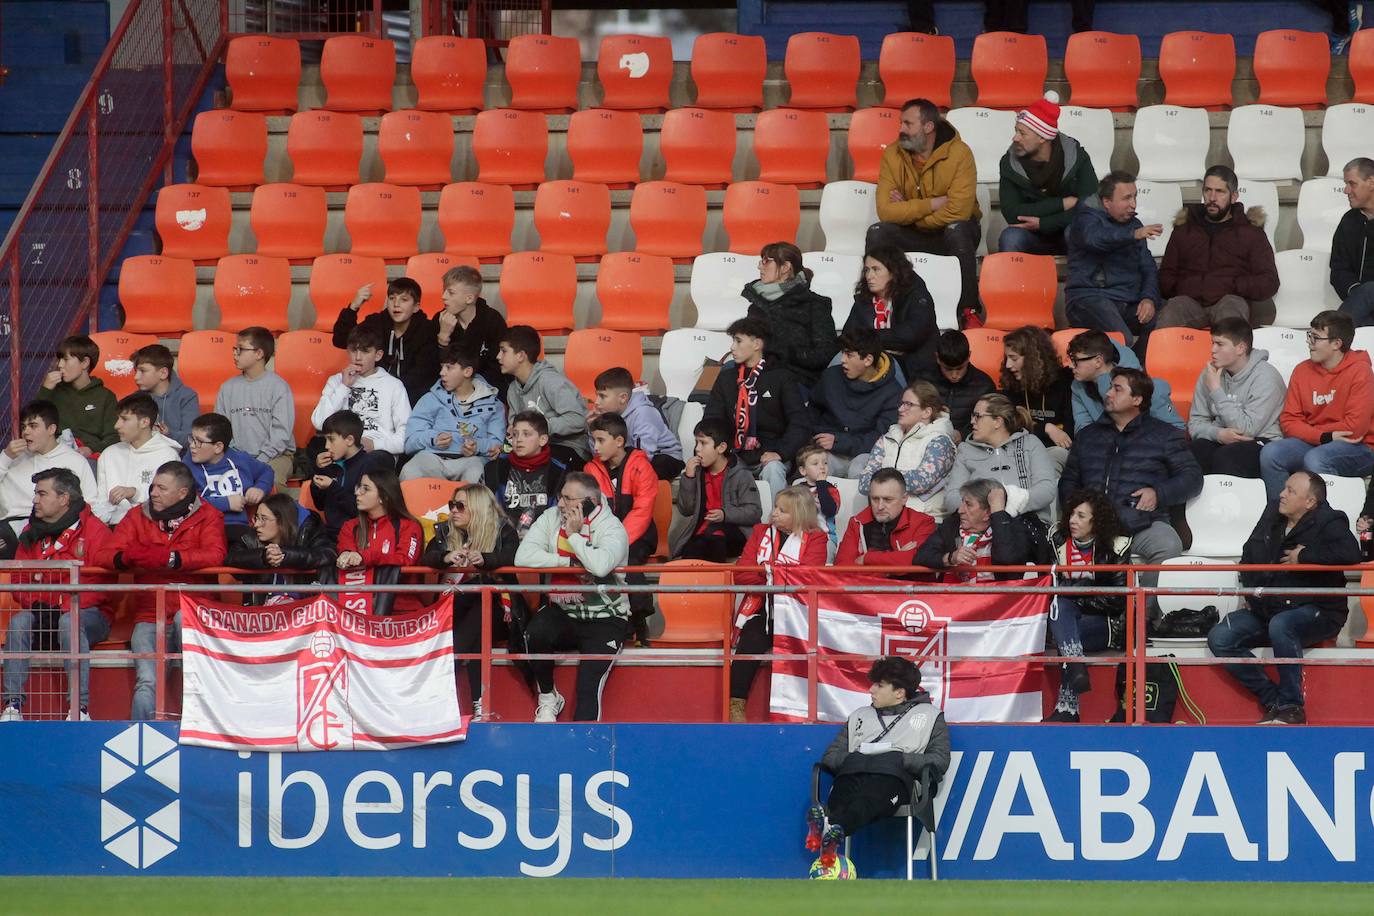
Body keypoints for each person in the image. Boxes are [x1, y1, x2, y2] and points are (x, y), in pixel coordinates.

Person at [1207, 471, 1361, 725]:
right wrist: (1250, 591)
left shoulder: (1330, 519)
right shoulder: (1273, 512)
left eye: (1291, 490)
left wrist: (1305, 556)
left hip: (1317, 610)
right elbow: (1249, 553)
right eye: (1284, 488)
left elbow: (1350, 553)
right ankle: (1273, 699)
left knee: (1283, 624)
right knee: (1221, 637)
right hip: (1267, 607)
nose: (1282, 494)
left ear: (1310, 502)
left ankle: (1292, 706)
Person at [1059, 368, 1203, 609]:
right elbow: (1069, 481)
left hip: (1140, 523)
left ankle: (1140, 618)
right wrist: (1077, 512)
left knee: (1167, 544)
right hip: (1091, 527)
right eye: (1109, 388)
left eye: (1117, 389)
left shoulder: (1165, 435)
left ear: (1137, 400)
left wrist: (1159, 493)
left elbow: (1192, 478)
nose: (1108, 393)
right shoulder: (1087, 436)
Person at [98, 461, 226, 720]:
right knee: (146, 680)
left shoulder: (209, 515)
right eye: (153, 486)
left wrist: (173, 559)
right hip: (149, 613)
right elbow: (104, 555)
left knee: (196, 677)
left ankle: (201, 728)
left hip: (192, 609)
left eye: (161, 488)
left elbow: (216, 554)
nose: (152, 492)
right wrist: (128, 557)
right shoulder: (137, 515)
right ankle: (142, 736)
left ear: (182, 493)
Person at [809, 656, 950, 868]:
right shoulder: (859, 716)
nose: (871, 690)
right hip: (854, 773)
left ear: (899, 693)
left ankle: (830, 828)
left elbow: (939, 760)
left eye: (879, 685)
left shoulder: (930, 716)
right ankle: (834, 831)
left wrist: (899, 759)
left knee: (872, 796)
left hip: (895, 779)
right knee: (844, 790)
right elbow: (831, 757)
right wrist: (858, 757)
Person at [516, 472, 632, 723]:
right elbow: (522, 557)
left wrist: (575, 535)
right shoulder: (551, 517)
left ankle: (584, 753)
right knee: (534, 633)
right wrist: (568, 562)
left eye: (568, 499)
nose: (560, 504)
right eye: (560, 497)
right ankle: (548, 698)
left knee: (588, 689)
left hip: (606, 618)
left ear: (590, 501)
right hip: (564, 611)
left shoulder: (612, 528)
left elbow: (600, 566)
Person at [1, 469, 112, 722]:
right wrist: (41, 604)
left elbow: (101, 585)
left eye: (42, 494)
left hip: (89, 616)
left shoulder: (95, 531)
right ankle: (12, 707)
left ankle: (79, 710)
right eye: (36, 494)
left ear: (64, 499)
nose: (35, 500)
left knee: (69, 621)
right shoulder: (31, 531)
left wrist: (61, 605)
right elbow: (19, 581)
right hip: (43, 612)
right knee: (19, 622)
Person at [869, 98, 981, 315]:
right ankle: (877, 308)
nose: (901, 129)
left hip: (950, 231)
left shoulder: (960, 154)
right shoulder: (892, 154)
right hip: (914, 232)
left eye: (908, 124)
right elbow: (885, 210)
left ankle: (969, 311)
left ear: (928, 127)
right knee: (878, 232)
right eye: (901, 123)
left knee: (957, 229)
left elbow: (959, 211)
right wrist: (932, 204)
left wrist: (910, 212)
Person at [423, 484, 524, 720]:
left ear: (478, 509)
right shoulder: (444, 532)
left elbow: (511, 555)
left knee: (480, 602)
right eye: (451, 505)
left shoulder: (503, 532)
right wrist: (445, 557)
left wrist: (485, 560)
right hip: (454, 612)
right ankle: (480, 703)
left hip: (500, 612)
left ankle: (439, 695)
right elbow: (427, 556)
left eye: (460, 506)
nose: (454, 511)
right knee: (476, 626)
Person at [731, 485, 829, 721]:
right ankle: (735, 704)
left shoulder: (816, 538)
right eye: (775, 507)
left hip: (798, 611)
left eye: (782, 510)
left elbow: (807, 578)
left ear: (799, 514)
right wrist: (778, 575)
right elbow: (741, 574)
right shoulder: (759, 532)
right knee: (751, 639)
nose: (774, 513)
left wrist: (767, 573)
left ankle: (806, 710)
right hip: (762, 606)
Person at [1260, 310, 1374, 498]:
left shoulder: (1360, 372)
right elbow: (1288, 421)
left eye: (1316, 337)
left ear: (1337, 344)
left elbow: (1355, 429)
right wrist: (1323, 436)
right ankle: (1278, 519)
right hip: (1318, 441)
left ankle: (1324, 522)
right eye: (1309, 335)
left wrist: (1312, 432)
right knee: (1271, 454)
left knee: (1316, 459)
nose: (1309, 342)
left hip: (1361, 448)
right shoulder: (1301, 371)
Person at [1044, 489, 1132, 723]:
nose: (1072, 520)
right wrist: (1074, 595)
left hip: (1107, 624)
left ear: (1097, 521)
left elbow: (1116, 599)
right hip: (1066, 619)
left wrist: (1075, 593)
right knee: (1062, 610)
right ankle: (1076, 667)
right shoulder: (1057, 540)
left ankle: (1068, 708)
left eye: (1081, 516)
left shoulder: (1117, 547)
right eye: (1072, 514)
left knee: (1064, 617)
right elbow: (1049, 586)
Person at [1157, 164, 1279, 329]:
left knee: (1232, 311)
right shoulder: (1184, 229)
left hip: (1230, 300)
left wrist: (1234, 285)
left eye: (1220, 191)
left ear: (1234, 196)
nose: (1212, 198)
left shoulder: (1250, 233)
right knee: (1171, 311)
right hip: (1189, 302)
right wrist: (1187, 286)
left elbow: (1269, 281)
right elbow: (1166, 275)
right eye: (1208, 190)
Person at [703, 317, 809, 501]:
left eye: (738, 341)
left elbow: (800, 422)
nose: (732, 348)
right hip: (734, 454)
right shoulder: (726, 378)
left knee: (774, 469)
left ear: (757, 344)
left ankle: (778, 522)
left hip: (770, 453)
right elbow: (713, 419)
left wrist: (780, 453)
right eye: (733, 341)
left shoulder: (782, 377)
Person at [1064, 171, 1163, 356]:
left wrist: (1148, 298)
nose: (1133, 204)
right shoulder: (1085, 220)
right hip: (1089, 297)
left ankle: (1136, 370)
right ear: (1107, 202)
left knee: (1164, 321)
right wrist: (1133, 235)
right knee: (1121, 337)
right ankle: (1123, 375)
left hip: (1127, 300)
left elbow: (1148, 268)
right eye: (1126, 198)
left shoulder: (1134, 224)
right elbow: (1096, 240)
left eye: (1135, 197)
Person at [585, 412, 659, 642]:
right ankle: (614, 619)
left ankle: (637, 617)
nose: (595, 447)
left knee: (629, 561)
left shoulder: (642, 467)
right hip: (604, 534)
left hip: (639, 534)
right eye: (594, 440)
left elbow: (642, 511)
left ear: (618, 441)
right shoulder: (592, 469)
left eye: (600, 440)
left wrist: (618, 543)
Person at [997, 92, 1098, 256]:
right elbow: (1012, 213)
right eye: (1016, 131)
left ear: (1042, 138)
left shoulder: (1077, 157)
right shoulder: (1009, 163)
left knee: (1080, 231)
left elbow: (1092, 205)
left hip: (1069, 229)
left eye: (1022, 133)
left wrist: (1045, 223)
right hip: (1031, 236)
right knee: (1010, 237)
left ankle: (1081, 282)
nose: (1015, 138)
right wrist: (1063, 204)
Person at [1188, 317, 1286, 478]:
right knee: (1189, 453)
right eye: (1212, 343)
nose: (1212, 350)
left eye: (1220, 344)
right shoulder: (1210, 373)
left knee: (1228, 457)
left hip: (1261, 440)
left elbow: (1247, 429)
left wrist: (1216, 391)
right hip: (1222, 436)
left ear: (1240, 348)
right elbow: (1195, 423)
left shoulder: (1267, 378)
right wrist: (1218, 434)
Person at [0, 401, 98, 559]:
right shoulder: (13, 457)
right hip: (10, 523)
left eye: (33, 426)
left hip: (55, 526)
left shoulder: (74, 461)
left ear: (51, 429)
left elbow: (91, 503)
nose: (26, 432)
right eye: (24, 427)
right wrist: (5, 457)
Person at [946, 394, 1057, 526]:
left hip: (1029, 525)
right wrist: (986, 510)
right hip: (982, 527)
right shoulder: (966, 450)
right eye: (972, 415)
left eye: (978, 416)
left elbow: (1046, 489)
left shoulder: (1030, 443)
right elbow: (952, 497)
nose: (972, 421)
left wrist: (1009, 501)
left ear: (997, 421)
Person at [807, 329, 904, 478]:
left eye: (849, 355)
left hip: (865, 454)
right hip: (828, 451)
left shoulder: (892, 392)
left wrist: (840, 442)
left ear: (868, 360)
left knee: (859, 470)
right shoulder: (831, 377)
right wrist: (816, 437)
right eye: (842, 353)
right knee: (816, 468)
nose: (842, 360)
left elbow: (882, 438)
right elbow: (811, 410)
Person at [402, 345, 505, 483]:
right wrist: (433, 438)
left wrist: (477, 446)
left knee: (476, 471)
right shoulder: (430, 399)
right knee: (410, 470)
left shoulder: (493, 404)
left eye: (449, 368)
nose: (442, 373)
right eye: (442, 367)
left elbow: (497, 446)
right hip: (432, 458)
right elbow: (409, 443)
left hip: (471, 461)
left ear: (467, 371)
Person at [743, 242, 837, 389]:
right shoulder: (756, 307)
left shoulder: (814, 305)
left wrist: (785, 351)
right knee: (727, 373)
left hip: (798, 378)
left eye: (766, 261)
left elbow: (825, 353)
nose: (760, 266)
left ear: (785, 267)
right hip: (759, 373)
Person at [309, 325, 411, 459]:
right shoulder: (337, 381)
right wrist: (344, 387)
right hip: (341, 449)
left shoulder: (394, 385)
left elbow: (407, 436)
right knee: (315, 448)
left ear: (378, 355)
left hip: (377, 451)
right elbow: (319, 422)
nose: (357, 357)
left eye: (365, 351)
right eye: (353, 351)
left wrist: (375, 444)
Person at [332, 276, 439, 405]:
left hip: (412, 397)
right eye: (392, 298)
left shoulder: (426, 329)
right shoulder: (376, 322)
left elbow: (423, 374)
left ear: (416, 307)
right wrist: (353, 307)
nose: (396, 304)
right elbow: (341, 340)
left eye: (404, 300)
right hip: (376, 393)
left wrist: (393, 391)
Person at [857, 381, 956, 520]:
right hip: (884, 517)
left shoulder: (939, 442)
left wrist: (881, 480)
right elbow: (863, 482)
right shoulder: (887, 438)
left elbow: (922, 481)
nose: (900, 409)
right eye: (901, 404)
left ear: (926, 412)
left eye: (908, 404)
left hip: (924, 518)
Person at [917, 478, 1050, 580]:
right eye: (962, 502)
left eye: (968, 505)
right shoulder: (951, 525)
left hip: (1001, 608)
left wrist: (998, 512)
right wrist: (951, 557)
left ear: (988, 512)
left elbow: (1007, 559)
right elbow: (921, 557)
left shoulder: (1014, 528)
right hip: (954, 603)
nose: (960, 510)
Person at [334, 467, 424, 616]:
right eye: (358, 488)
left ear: (384, 496)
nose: (357, 493)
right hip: (357, 608)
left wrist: (366, 557)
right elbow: (347, 553)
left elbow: (406, 560)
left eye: (366, 489)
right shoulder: (350, 526)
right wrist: (346, 556)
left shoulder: (409, 526)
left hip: (402, 609)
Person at [670, 418, 763, 562]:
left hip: (734, 532)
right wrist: (689, 478)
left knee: (715, 539)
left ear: (721, 447)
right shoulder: (698, 473)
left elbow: (754, 512)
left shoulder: (741, 473)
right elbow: (686, 509)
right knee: (691, 551)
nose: (697, 449)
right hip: (704, 532)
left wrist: (725, 514)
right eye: (696, 443)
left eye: (703, 443)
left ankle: (716, 583)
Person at [842, 245, 938, 381]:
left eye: (876, 270)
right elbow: (848, 336)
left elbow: (911, 335)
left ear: (893, 271)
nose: (869, 276)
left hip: (911, 368)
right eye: (867, 270)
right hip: (870, 360)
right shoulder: (864, 299)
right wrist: (883, 344)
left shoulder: (916, 294)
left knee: (888, 367)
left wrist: (870, 340)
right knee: (838, 362)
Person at [214, 326, 295, 485]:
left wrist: (260, 460)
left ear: (259, 354)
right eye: (235, 349)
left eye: (241, 349)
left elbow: (281, 433)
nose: (235, 354)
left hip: (276, 456)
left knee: (269, 481)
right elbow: (221, 428)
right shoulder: (227, 387)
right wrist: (239, 458)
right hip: (236, 456)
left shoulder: (278, 387)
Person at [498, 324, 590, 462]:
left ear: (521, 356)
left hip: (567, 446)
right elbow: (514, 422)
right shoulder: (513, 389)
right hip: (534, 447)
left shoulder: (551, 381)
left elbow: (577, 419)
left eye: (503, 351)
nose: (498, 357)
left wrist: (541, 427)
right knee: (498, 465)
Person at [225, 493, 336, 606]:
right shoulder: (252, 536)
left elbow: (328, 554)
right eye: (256, 518)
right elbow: (231, 558)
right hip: (263, 615)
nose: (257, 524)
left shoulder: (309, 529)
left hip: (305, 614)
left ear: (282, 521)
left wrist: (285, 555)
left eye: (264, 519)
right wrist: (263, 557)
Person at [183, 412, 274, 544]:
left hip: (237, 527)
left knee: (253, 548)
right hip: (203, 526)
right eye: (192, 439)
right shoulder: (186, 466)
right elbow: (186, 503)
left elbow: (266, 471)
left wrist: (259, 488)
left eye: (199, 442)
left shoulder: (240, 459)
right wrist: (226, 503)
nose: (192, 445)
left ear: (218, 447)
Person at [1066, 330, 1185, 431]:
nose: (1071, 366)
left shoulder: (1146, 387)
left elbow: (1175, 430)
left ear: (1098, 361)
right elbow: (1083, 428)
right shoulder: (1077, 387)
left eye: (1076, 361)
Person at [309, 410, 396, 545]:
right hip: (331, 535)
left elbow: (360, 509)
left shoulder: (368, 465)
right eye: (325, 440)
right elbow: (319, 504)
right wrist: (318, 472)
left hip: (359, 536)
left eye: (331, 439)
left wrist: (333, 487)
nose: (326, 446)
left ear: (349, 440)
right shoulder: (331, 465)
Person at [92, 393, 181, 524]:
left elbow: (171, 501)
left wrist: (135, 493)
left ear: (144, 422)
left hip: (153, 528)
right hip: (114, 530)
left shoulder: (168, 455)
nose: (117, 425)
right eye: (118, 419)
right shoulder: (109, 454)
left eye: (124, 419)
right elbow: (100, 502)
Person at [483, 410, 571, 537]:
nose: (518, 440)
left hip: (544, 540)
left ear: (543, 439)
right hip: (501, 539)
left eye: (526, 434)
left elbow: (561, 515)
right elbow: (485, 510)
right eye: (515, 434)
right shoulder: (495, 468)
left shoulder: (559, 472)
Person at [588, 367, 683, 480]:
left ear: (623, 398)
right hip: (628, 458)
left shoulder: (643, 413)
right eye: (597, 395)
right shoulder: (607, 415)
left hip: (663, 457)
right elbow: (599, 455)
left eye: (603, 396)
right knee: (600, 473)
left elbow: (644, 456)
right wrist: (592, 429)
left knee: (635, 474)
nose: (597, 402)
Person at [999, 325, 1075, 466]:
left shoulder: (1065, 382)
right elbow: (1009, 428)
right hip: (1019, 449)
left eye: (1014, 358)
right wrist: (1046, 428)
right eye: (1007, 358)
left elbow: (1067, 436)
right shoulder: (1012, 384)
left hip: (1054, 451)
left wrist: (1032, 430)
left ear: (1032, 359)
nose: (1008, 365)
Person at [835, 468, 936, 570]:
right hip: (866, 585)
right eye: (875, 499)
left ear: (904, 499)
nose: (880, 506)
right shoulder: (857, 522)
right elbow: (842, 568)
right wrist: (896, 560)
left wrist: (866, 559)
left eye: (888, 499)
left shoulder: (923, 523)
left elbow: (916, 561)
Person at [38, 334, 118, 457]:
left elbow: (113, 437)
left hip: (90, 458)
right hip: (55, 456)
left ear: (85, 363)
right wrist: (46, 390)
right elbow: (34, 425)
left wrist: (91, 449)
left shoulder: (106, 397)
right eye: (59, 360)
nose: (60, 365)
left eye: (65, 359)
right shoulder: (52, 391)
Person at [434, 265, 507, 398]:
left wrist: (470, 388)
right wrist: (443, 337)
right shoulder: (439, 320)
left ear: (469, 298)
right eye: (444, 291)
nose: (443, 297)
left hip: (486, 389)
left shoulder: (492, 320)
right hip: (448, 389)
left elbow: (498, 367)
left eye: (450, 292)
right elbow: (433, 367)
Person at [919, 330, 995, 441]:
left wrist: (964, 435)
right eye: (948, 369)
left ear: (969, 356)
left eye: (960, 368)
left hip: (971, 447)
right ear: (937, 358)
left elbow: (992, 424)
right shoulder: (923, 381)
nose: (954, 375)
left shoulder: (984, 385)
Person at [132, 343, 200, 449]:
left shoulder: (187, 396)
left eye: (142, 371)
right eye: (135, 371)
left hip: (177, 460)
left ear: (163, 373)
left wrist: (168, 435)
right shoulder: (135, 399)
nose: (136, 377)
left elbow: (192, 438)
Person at [1333, 157, 1374, 326]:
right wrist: (1356, 291)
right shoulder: (1349, 221)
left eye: (1352, 183)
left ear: (1371, 182)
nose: (1346, 190)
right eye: (1345, 184)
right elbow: (1338, 268)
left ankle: (1330, 335)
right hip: (1361, 304)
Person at [796, 444, 841, 551]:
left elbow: (829, 511)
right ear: (803, 470)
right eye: (815, 463)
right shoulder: (797, 490)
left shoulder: (831, 490)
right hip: (801, 537)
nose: (822, 466)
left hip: (826, 537)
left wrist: (821, 484)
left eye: (825, 463)